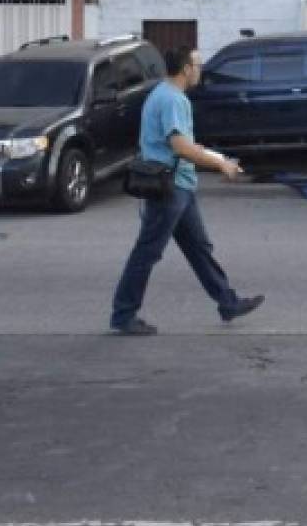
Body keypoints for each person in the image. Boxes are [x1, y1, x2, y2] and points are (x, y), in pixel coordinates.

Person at [110, 46, 264, 335]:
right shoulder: (173, 100)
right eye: (197, 64)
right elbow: (182, 147)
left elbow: (185, 145)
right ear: (185, 69)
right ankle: (123, 314)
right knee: (147, 252)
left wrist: (220, 159)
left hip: (178, 185)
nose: (200, 69)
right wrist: (220, 165)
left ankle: (227, 302)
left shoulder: (163, 94)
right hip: (169, 188)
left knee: (198, 249)